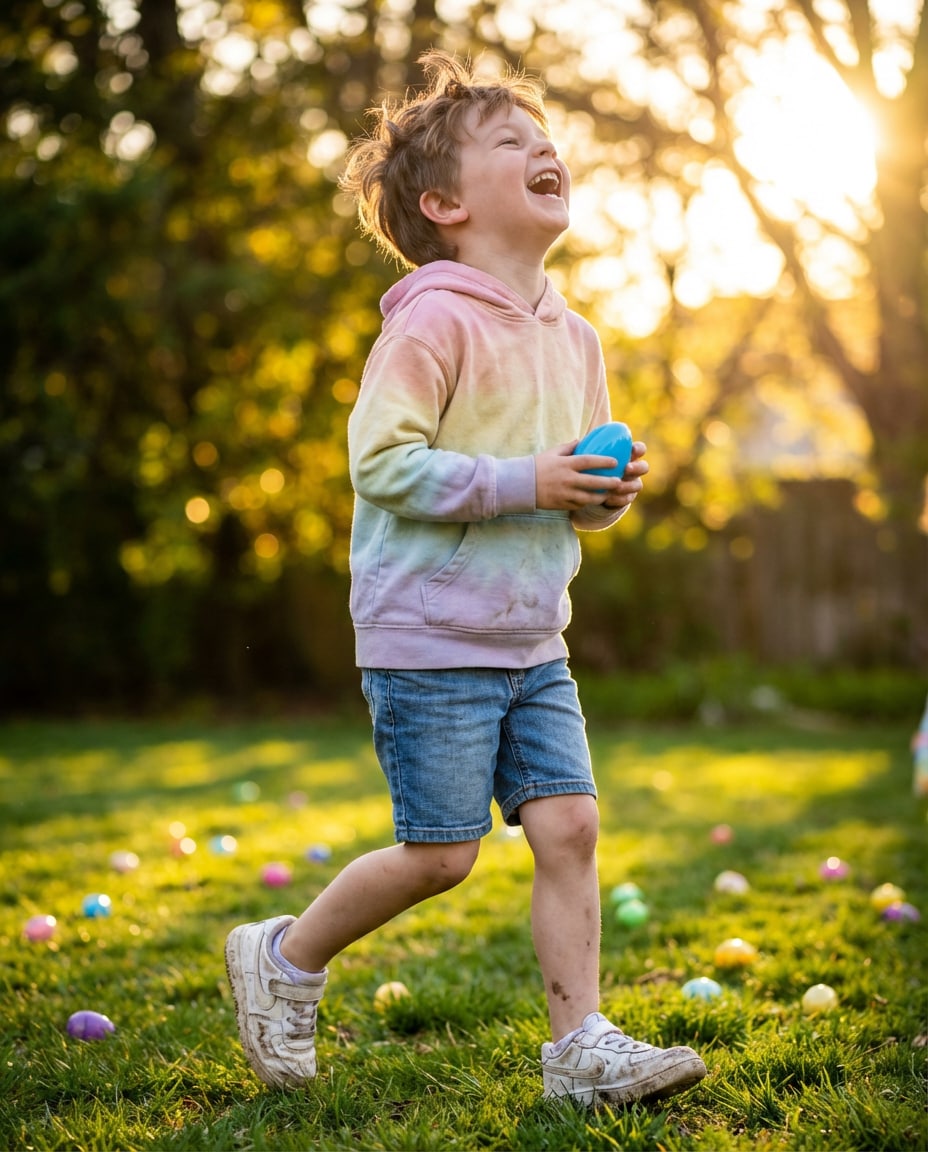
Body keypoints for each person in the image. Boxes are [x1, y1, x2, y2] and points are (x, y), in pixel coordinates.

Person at [225, 49, 707, 1109]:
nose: (543, 149)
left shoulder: (575, 337)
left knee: (570, 825)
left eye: (544, 138)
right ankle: (286, 957)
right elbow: (383, 466)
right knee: (441, 855)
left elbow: (564, 476)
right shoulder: (429, 321)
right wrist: (527, 478)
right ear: (444, 204)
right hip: (430, 629)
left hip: (533, 631)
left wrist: (595, 493)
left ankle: (578, 1047)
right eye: (509, 142)